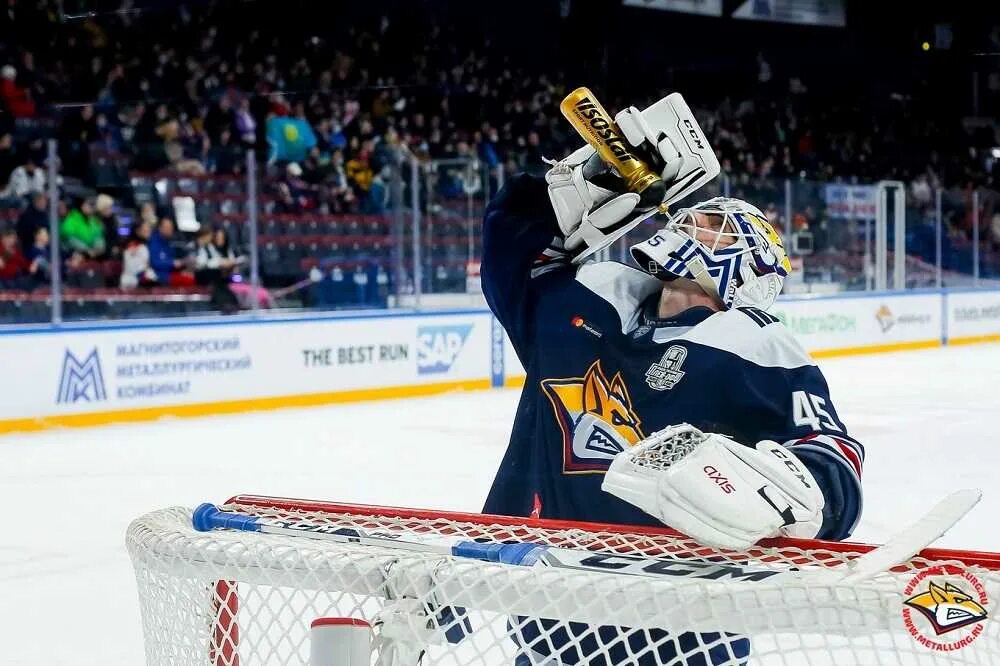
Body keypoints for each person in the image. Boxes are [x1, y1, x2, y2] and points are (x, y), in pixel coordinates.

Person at [481, 94, 863, 665]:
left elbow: (835, 458)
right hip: (551, 619)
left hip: (684, 630)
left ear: (749, 267)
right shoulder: (581, 306)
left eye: (713, 228)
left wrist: (793, 493)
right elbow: (509, 244)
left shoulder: (752, 340)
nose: (688, 222)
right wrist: (588, 180)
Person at [148, 216, 194, 287]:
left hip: (171, 273)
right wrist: (174, 263)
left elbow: (176, 259)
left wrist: (183, 265)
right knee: (189, 279)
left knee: (192, 275)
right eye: (167, 227)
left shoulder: (169, 241)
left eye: (171, 227)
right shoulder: (153, 242)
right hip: (159, 275)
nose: (170, 229)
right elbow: (154, 262)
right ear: (160, 228)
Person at [120, 220, 157, 289]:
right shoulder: (132, 246)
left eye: (149, 230)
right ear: (138, 231)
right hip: (131, 284)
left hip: (143, 281)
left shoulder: (145, 245)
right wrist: (147, 277)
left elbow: (147, 266)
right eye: (145, 230)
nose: (149, 232)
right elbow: (133, 269)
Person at [16, 191, 47, 255]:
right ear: (35, 202)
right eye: (40, 201)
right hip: (30, 247)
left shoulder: (45, 214)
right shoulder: (26, 215)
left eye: (44, 201)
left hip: (44, 245)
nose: (43, 204)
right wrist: (37, 234)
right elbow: (21, 232)